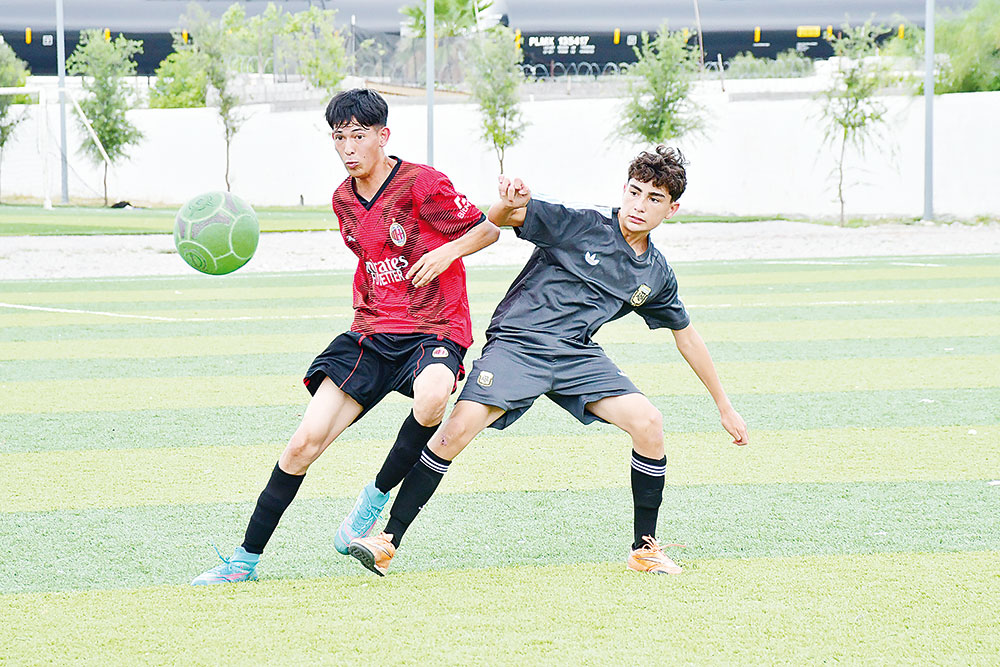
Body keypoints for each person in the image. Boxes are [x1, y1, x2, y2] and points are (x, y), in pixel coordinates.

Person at [346, 146, 749, 577]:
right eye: (635, 192)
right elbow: (500, 218)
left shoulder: (654, 273)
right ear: (624, 190)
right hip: (518, 343)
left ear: (672, 209)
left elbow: (685, 336)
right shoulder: (582, 224)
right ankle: (387, 541)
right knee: (454, 432)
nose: (640, 205)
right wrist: (510, 199)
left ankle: (644, 550)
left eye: (654, 198)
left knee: (648, 423)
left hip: (575, 353)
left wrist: (723, 405)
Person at [192, 88, 500, 585]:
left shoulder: (424, 184)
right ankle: (243, 562)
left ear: (383, 135)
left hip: (436, 327)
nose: (349, 147)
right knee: (301, 445)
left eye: (359, 135)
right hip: (372, 333)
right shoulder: (343, 199)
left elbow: (486, 231)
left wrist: (446, 254)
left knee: (431, 399)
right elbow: (370, 260)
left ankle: (371, 503)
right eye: (340, 137)